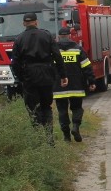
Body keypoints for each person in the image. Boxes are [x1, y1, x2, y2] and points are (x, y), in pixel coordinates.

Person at [11, 12, 68, 145]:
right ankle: (50, 139)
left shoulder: (19, 39)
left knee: (33, 108)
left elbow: (15, 62)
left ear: (24, 23)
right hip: (46, 75)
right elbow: (57, 56)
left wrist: (21, 78)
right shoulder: (47, 35)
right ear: (36, 22)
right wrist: (63, 75)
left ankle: (38, 140)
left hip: (29, 76)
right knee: (46, 106)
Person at [53, 26, 96, 142]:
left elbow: (49, 68)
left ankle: (66, 137)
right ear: (69, 36)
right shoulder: (78, 49)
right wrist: (91, 81)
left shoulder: (53, 50)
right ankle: (75, 127)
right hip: (76, 86)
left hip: (59, 87)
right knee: (77, 108)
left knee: (62, 111)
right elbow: (86, 67)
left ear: (59, 37)